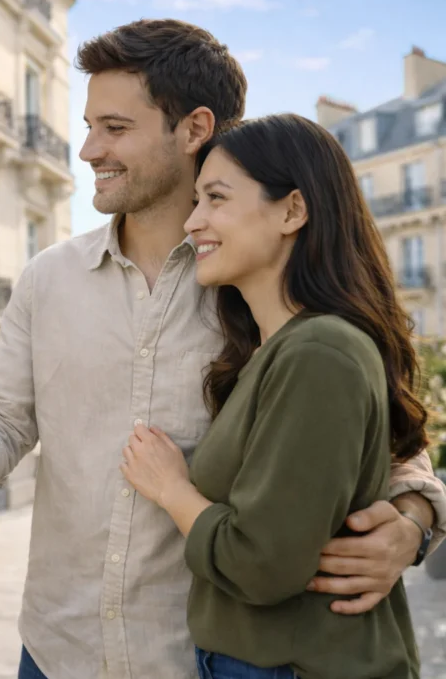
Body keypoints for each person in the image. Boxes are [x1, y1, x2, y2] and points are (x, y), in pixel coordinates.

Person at [0, 19, 446, 678]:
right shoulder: (49, 278)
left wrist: (414, 519)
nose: (87, 149)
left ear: (194, 129)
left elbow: (385, 435)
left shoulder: (261, 285)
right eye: (87, 125)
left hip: (200, 659)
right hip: (58, 649)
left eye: (114, 128)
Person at [120, 113, 423, 678]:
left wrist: (172, 489)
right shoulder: (273, 351)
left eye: (215, 198)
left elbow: (261, 566)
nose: (193, 222)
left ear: (292, 210)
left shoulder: (319, 353)